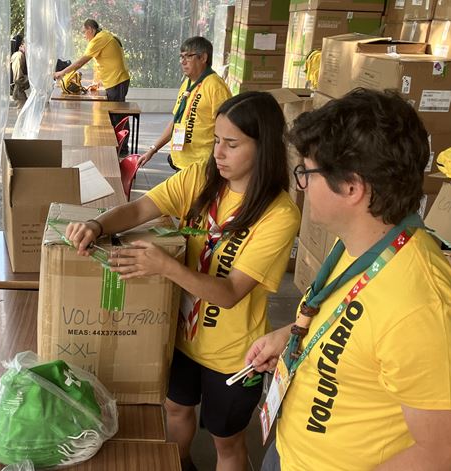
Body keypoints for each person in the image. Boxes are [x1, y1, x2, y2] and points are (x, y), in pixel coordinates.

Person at [65, 92, 301, 471]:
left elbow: (230, 293)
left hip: (233, 355)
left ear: (265, 147)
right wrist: (97, 224)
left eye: (232, 144)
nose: (218, 153)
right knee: (175, 409)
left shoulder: (278, 215)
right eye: (216, 141)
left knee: (227, 442)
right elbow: (142, 208)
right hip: (180, 336)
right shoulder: (200, 179)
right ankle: (181, 464)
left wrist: (164, 266)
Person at [244, 88, 451, 471]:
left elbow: (442, 455)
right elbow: (354, 317)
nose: (300, 184)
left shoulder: (422, 309)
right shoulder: (363, 245)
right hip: (290, 450)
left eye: (307, 172)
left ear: (352, 187)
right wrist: (289, 335)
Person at [138, 36, 231, 171]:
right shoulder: (187, 83)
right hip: (181, 161)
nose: (183, 62)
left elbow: (227, 127)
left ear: (203, 58)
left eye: (188, 57)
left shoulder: (215, 86)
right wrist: (153, 149)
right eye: (181, 57)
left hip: (201, 165)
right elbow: (176, 121)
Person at [53, 19, 130, 102]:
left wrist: (61, 73)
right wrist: (96, 82)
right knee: (113, 111)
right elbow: (101, 62)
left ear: (90, 29)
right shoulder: (104, 35)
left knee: (116, 111)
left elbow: (80, 63)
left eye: (84, 32)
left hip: (117, 81)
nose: (84, 36)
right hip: (117, 80)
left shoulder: (99, 39)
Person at [10, 39, 29, 108]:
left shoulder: (22, 56)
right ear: (21, 45)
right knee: (22, 111)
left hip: (19, 90)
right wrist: (31, 79)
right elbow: (18, 78)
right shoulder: (19, 56)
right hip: (18, 91)